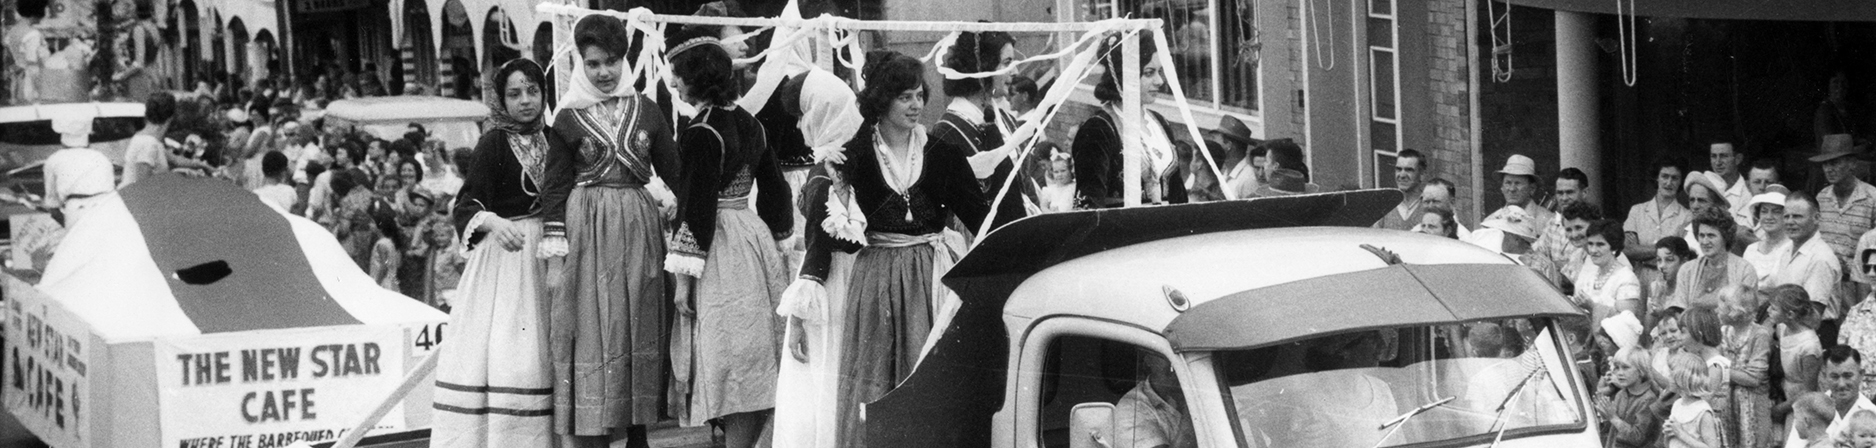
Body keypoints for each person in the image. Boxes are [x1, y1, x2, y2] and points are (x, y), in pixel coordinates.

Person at [794, 51, 988, 448]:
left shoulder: (943, 154)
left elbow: (982, 220)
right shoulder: (851, 159)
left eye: (919, 95)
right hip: (877, 279)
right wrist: (800, 313)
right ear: (881, 100)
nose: (916, 105)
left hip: (934, 276)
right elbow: (823, 240)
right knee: (877, 383)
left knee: (931, 379)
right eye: (905, 97)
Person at [541, 16, 679, 448]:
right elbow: (555, 187)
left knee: (637, 318)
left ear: (626, 59)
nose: (604, 72)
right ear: (581, 62)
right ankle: (597, 430)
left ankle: (638, 431)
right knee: (596, 326)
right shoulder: (567, 117)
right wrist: (556, 258)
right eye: (594, 62)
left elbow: (675, 171)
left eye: (613, 61)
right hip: (587, 230)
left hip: (639, 225)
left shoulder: (649, 109)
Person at [660, 32, 792, 446]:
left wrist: (683, 279)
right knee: (754, 346)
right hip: (752, 237)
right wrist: (778, 240)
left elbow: (696, 206)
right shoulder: (750, 122)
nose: (675, 84)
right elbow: (775, 189)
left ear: (696, 79)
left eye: (679, 76)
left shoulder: (701, 131)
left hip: (718, 243)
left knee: (728, 351)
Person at [429, 58, 558, 448]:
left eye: (532, 91)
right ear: (501, 99)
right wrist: (494, 222)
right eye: (515, 94)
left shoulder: (555, 139)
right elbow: (465, 205)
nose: (525, 101)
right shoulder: (493, 142)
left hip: (550, 250)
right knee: (512, 351)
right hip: (508, 257)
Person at [1073, 34, 1183, 208]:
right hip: (1126, 231)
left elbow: (1178, 194)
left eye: (1159, 72)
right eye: (1149, 73)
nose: (1160, 81)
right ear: (1125, 75)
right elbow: (1089, 203)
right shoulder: (1098, 129)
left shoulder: (1160, 123)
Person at [933, 31, 1029, 228]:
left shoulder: (1007, 120)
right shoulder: (945, 133)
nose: (1015, 71)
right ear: (982, 67)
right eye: (1006, 62)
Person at [1815, 134, 1876, 307]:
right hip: (1825, 283)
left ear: (1852, 164)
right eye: (1825, 164)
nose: (1829, 169)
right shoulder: (1822, 197)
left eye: (1835, 163)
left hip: (1858, 285)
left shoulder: (1872, 198)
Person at [1780, 346, 1876, 448]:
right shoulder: (1808, 409)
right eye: (1834, 377)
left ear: (1861, 375)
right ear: (1825, 376)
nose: (1841, 384)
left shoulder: (1873, 413)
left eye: (1848, 376)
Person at [1717, 285, 1774, 447]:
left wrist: (1722, 371)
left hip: (1753, 405)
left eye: (1721, 307)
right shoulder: (1724, 331)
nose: (1717, 310)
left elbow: (1754, 378)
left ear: (1735, 311)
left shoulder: (1759, 334)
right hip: (1728, 404)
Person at [1669, 208, 1759, 310]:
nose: (1705, 241)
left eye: (1711, 236)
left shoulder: (1745, 269)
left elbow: (1745, 312)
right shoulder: (1687, 270)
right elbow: (1680, 308)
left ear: (1725, 237)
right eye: (1701, 235)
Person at [1781, 191, 1845, 327]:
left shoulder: (1820, 258)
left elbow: (1812, 317)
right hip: (1788, 332)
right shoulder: (1786, 249)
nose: (1790, 222)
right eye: (1786, 216)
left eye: (1797, 216)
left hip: (1814, 336)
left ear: (1816, 218)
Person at [123, 92, 210, 187]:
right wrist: (175, 174)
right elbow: (143, 185)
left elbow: (175, 160)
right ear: (171, 117)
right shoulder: (148, 143)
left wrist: (202, 165)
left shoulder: (151, 140)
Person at [1112, 352, 1196, 448]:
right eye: (1164, 355)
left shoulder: (1192, 391)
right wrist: (1192, 413)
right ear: (1148, 360)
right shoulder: (1132, 408)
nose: (1173, 363)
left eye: (1181, 356)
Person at [42, 117, 115, 228]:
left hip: (76, 210)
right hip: (105, 210)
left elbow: (53, 207)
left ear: (62, 140)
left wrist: (70, 229)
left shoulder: (54, 160)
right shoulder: (101, 158)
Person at [1769, 285, 1824, 418]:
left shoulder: (1809, 346)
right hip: (1785, 392)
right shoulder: (1782, 328)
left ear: (1790, 314)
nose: (1768, 310)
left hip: (1802, 403)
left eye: (1774, 308)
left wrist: (1781, 408)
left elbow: (1809, 390)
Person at [1629, 157, 1692, 267]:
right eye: (1664, 176)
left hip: (1672, 279)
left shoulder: (1687, 217)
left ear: (1681, 182)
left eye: (1675, 178)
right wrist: (1667, 249)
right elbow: (1628, 249)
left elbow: (1683, 253)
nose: (1669, 182)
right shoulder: (1637, 211)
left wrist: (1641, 250)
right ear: (1656, 178)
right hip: (1641, 278)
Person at [1595, 344, 1660, 448]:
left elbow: (1638, 438)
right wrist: (1604, 414)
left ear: (1641, 371)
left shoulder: (1648, 399)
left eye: (1625, 368)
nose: (1619, 373)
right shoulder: (1621, 394)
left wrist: (1613, 417)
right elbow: (1613, 431)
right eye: (1616, 367)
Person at [1575, 219, 1642, 321]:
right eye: (1590, 244)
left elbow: (1626, 322)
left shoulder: (1627, 279)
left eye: (1600, 244)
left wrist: (1592, 307)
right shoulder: (1590, 271)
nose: (1593, 250)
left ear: (1614, 247)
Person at [1683, 171, 1757, 255]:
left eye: (1702, 200)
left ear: (1717, 204)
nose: (1695, 206)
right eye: (1692, 200)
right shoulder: (1686, 231)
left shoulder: (1739, 234)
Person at [1485, 154, 1553, 227]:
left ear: (1532, 188)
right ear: (1502, 188)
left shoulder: (1549, 221)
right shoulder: (1492, 221)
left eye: (1518, 183)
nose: (1512, 189)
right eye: (1508, 183)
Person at [1744, 186, 1793, 284]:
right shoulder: (1751, 250)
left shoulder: (1792, 249)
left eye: (1776, 212)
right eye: (1764, 211)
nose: (1769, 217)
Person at [6, 0, 49, 104]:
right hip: (31, 85)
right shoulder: (33, 34)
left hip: (16, 82)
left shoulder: (11, 33)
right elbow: (32, 62)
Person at [1376, 149, 1427, 231]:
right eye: (1399, 169)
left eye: (1409, 170)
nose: (1402, 175)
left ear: (1422, 174)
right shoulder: (1385, 205)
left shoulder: (1431, 205)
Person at [1709, 141, 1754, 227]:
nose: (1718, 162)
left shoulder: (1748, 193)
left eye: (1724, 156)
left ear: (1738, 159)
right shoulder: (1705, 189)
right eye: (1714, 156)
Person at [1037, 147, 1077, 213]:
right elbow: (1043, 207)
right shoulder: (1050, 190)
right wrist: (1051, 213)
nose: (1059, 174)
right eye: (1056, 172)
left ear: (1070, 170)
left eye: (1063, 171)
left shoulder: (1074, 187)